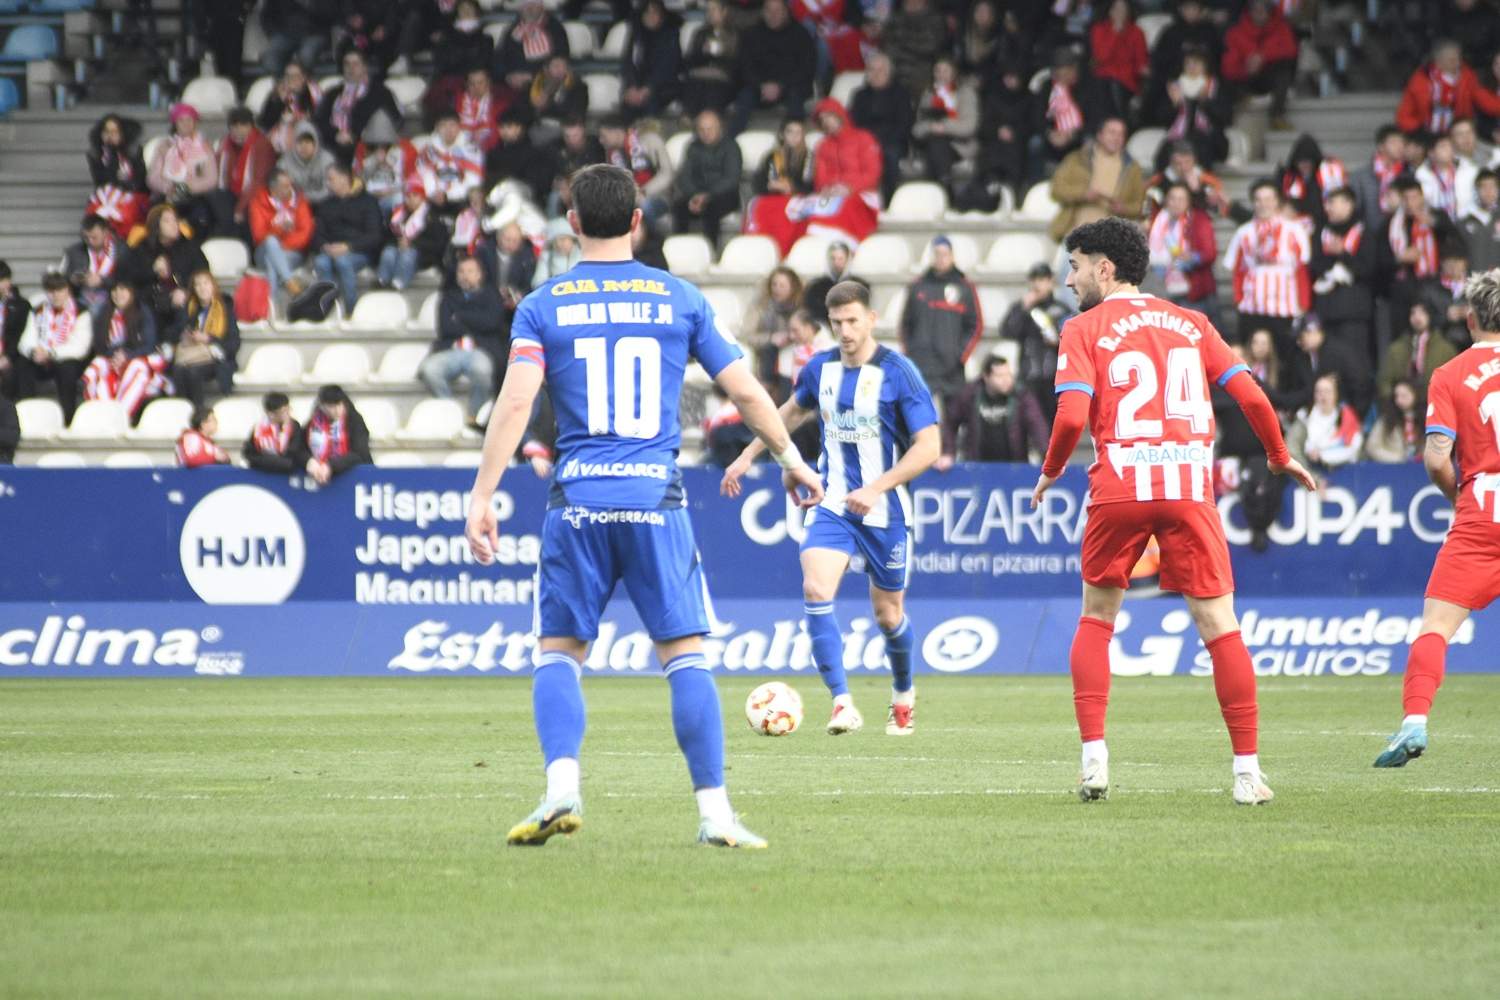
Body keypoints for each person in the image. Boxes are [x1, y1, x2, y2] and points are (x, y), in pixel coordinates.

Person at [463, 163, 823, 850]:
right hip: (654, 497)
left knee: (559, 651)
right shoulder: (678, 299)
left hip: (578, 501)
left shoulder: (544, 305)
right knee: (684, 654)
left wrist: (484, 495)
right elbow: (747, 392)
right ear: (637, 221)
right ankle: (715, 812)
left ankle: (561, 787)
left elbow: (515, 401)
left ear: (570, 224)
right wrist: (793, 460)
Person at [1031, 216, 1317, 805]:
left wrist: (1053, 469)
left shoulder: (1083, 328)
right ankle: (1246, 776)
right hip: (1189, 488)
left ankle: (1094, 763)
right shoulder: (1193, 322)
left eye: (1076, 265)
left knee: (1097, 619)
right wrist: (1280, 455)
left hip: (1120, 487)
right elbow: (1251, 396)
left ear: (1104, 268)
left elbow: (1068, 416)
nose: (1068, 279)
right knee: (1220, 627)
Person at [722, 279, 938, 736]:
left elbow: (929, 447)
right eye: (837, 322)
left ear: (871, 319)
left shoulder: (898, 373)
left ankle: (903, 694)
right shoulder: (820, 370)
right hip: (832, 502)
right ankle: (842, 703)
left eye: (853, 321)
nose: (844, 331)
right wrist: (747, 457)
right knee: (817, 591)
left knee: (888, 615)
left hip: (884, 510)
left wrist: (878, 486)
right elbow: (787, 415)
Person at [1374, 271, 1500, 766]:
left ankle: (1414, 724)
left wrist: (1459, 494)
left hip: (1479, 516)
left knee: (1435, 628)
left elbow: (1435, 456)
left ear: (1469, 318)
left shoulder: (1449, 374)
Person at [1223, 179, 1310, 358]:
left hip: (1284, 307)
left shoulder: (1294, 230)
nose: (1263, 204)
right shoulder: (1244, 232)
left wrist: (1304, 304)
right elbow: (1238, 270)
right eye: (1258, 199)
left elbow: (1301, 269)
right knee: (1249, 357)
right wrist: (1239, 300)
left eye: (1268, 199)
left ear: (1277, 201)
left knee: (1284, 356)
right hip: (1251, 307)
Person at [899, 235, 983, 411]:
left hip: (951, 368)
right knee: (920, 419)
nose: (941, 258)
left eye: (945, 254)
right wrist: (912, 352)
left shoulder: (964, 287)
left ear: (952, 256)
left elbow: (976, 325)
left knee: (954, 422)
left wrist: (960, 356)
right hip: (922, 365)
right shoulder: (918, 286)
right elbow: (906, 324)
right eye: (937, 254)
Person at [424, 254, 505, 422]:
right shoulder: (447, 297)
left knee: (483, 371)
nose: (465, 275)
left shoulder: (492, 295)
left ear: (480, 274)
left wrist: (460, 316)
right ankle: (451, 411)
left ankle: (473, 415)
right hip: (452, 349)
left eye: (470, 271)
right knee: (430, 370)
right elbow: (445, 328)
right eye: (461, 271)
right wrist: (476, 319)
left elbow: (492, 323)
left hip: (481, 349)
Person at [1048, 117, 1147, 245]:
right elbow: (1056, 190)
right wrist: (1083, 194)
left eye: (1121, 134)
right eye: (1111, 132)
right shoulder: (1076, 159)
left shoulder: (1133, 168)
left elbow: (1141, 206)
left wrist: (1124, 209)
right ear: (1100, 135)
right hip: (1074, 234)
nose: (1116, 138)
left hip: (1111, 240)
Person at [937, 355, 1048, 466]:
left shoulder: (1021, 396)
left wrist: (1046, 454)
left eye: (1008, 374)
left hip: (1014, 466)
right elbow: (950, 423)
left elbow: (1037, 425)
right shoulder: (970, 394)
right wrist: (948, 452)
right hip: (978, 466)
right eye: (999, 376)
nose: (1006, 380)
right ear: (986, 377)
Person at [1001, 262, 1075, 423]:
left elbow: (1073, 343)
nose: (1037, 284)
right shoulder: (1022, 307)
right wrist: (1022, 309)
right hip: (1028, 376)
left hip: (1054, 378)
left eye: (1042, 279)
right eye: (1034, 279)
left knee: (1053, 425)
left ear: (1050, 282)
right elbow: (1007, 332)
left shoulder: (1061, 309)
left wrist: (1057, 342)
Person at [81, 282, 165, 421]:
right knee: (98, 366)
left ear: (131, 292)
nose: (118, 294)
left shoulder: (142, 311)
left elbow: (149, 345)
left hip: (139, 360)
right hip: (113, 361)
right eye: (115, 290)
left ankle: (121, 416)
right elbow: (100, 346)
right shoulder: (104, 313)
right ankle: (103, 416)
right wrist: (115, 356)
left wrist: (127, 355)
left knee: (137, 367)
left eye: (123, 289)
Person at [729, 0, 815, 135]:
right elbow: (744, 67)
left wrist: (780, 85)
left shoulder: (800, 34)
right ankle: (731, 141)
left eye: (777, 11)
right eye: (768, 10)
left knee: (796, 98)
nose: (772, 15)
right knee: (744, 97)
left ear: (786, 12)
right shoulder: (751, 34)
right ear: (762, 12)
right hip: (758, 87)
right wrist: (761, 85)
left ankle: (792, 143)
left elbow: (806, 69)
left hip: (790, 86)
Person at [1309, 186, 1377, 359]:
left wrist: (1343, 254)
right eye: (1327, 203)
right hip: (1326, 312)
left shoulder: (1365, 232)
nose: (1328, 208)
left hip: (1354, 314)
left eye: (1332, 203)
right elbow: (1314, 265)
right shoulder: (1321, 233)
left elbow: (1368, 268)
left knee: (1354, 360)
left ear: (1348, 204)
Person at [17, 273, 92, 423]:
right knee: (22, 365)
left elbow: (80, 347)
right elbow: (26, 339)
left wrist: (51, 353)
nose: (55, 295)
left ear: (67, 290)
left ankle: (67, 418)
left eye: (59, 290)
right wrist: (33, 351)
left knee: (67, 369)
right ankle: (26, 415)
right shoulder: (38, 310)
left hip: (67, 358)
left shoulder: (81, 311)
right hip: (41, 356)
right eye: (51, 291)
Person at [312, 163, 384, 313]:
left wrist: (348, 247)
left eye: (331, 179)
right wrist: (325, 246)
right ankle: (327, 308)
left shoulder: (367, 201)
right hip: (331, 250)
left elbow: (375, 236)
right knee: (320, 262)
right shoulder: (326, 204)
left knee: (343, 261)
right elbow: (317, 234)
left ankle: (351, 310)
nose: (328, 183)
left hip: (359, 251)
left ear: (344, 178)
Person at [1146, 46, 1230, 170]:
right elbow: (1162, 119)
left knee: (1198, 148)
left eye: (1196, 63)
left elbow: (1225, 118)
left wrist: (1205, 102)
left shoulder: (1216, 87)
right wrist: (1175, 105)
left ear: (1205, 66)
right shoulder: (1174, 88)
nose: (1192, 67)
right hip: (1179, 137)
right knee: (1165, 154)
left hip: (1209, 139)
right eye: (1188, 63)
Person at [315, 49, 402, 166]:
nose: (351, 68)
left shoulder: (381, 93)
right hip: (332, 142)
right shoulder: (333, 93)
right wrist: (336, 134)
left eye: (355, 64)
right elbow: (319, 120)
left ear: (365, 67)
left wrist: (353, 134)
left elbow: (395, 119)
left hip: (366, 145)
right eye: (347, 64)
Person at [1220, 0, 1298, 131]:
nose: (1259, 14)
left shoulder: (1281, 27)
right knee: (1225, 81)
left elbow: (1290, 50)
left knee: (1284, 69)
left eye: (1263, 10)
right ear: (1249, 12)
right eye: (1256, 10)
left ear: (1269, 11)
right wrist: (1245, 69)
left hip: (1270, 77)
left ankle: (1277, 115)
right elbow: (1228, 67)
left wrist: (1263, 57)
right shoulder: (1235, 33)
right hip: (1246, 80)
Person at [1396, 39, 1500, 137]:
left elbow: (1487, 102)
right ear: (1438, 61)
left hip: (1458, 134)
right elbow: (1404, 116)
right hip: (1426, 134)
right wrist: (1420, 133)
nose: (1457, 63)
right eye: (1452, 60)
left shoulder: (1467, 77)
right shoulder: (1421, 80)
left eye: (1459, 58)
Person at [671, 110, 742, 250]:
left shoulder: (731, 147)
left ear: (719, 128)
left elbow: (731, 179)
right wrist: (694, 195)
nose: (706, 133)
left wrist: (707, 195)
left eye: (710, 128)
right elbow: (684, 176)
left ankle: (711, 250)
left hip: (723, 196)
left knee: (711, 209)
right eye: (702, 129)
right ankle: (679, 250)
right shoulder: (692, 147)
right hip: (696, 194)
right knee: (679, 207)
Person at [848, 53, 913, 205]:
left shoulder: (901, 94)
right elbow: (853, 123)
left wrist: (880, 142)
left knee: (890, 156)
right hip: (863, 141)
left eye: (881, 70)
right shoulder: (859, 95)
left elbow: (904, 124)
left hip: (891, 141)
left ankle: (889, 201)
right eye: (872, 70)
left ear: (889, 73)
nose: (876, 74)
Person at [1146, 180, 1218, 317]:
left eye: (1181, 199)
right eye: (1172, 198)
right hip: (1163, 287)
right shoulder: (1158, 220)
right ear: (1166, 200)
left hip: (1193, 289)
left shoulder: (1199, 219)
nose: (1176, 203)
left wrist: (1193, 257)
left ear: (1188, 202)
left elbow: (1209, 253)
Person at [172, 270, 240, 405]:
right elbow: (174, 332)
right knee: (178, 370)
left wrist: (209, 339)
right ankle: (183, 410)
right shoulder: (189, 308)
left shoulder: (225, 309)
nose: (202, 288)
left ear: (213, 286)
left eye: (206, 283)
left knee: (193, 372)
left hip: (215, 358)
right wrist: (186, 335)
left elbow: (233, 343)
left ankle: (198, 413)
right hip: (191, 354)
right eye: (198, 285)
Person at [147, 104, 218, 234]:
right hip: (168, 195)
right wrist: (168, 187)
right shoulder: (164, 146)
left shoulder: (204, 147)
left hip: (194, 196)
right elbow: (153, 177)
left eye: (189, 120)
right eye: (181, 121)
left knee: (201, 214)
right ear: (175, 124)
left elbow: (211, 179)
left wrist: (188, 187)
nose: (186, 124)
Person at [911, 56, 978, 190]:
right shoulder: (929, 94)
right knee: (935, 144)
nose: (941, 75)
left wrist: (944, 127)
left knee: (937, 145)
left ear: (954, 73)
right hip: (931, 143)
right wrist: (931, 127)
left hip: (959, 145)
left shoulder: (965, 93)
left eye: (945, 71)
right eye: (938, 71)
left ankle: (937, 190)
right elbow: (917, 129)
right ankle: (944, 186)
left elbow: (970, 126)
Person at [250, 168, 316, 301]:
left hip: (291, 252)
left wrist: (281, 247)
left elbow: (305, 233)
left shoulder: (299, 202)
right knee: (271, 242)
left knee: (272, 259)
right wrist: (279, 229)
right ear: (274, 189)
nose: (290, 189)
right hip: (262, 251)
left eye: (290, 184)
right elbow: (258, 235)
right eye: (285, 186)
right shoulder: (258, 203)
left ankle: (270, 307)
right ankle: (289, 281)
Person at [598, 116, 674, 230]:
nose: (601, 140)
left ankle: (653, 241)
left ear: (617, 133)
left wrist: (644, 192)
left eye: (604, 136)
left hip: (658, 196)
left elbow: (666, 174)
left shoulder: (649, 141)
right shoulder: (611, 153)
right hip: (629, 200)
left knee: (645, 206)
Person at [214, 106, 277, 238]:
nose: (238, 130)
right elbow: (219, 173)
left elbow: (258, 182)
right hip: (231, 193)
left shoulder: (261, 145)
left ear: (251, 126)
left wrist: (240, 208)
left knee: (239, 215)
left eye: (243, 125)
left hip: (254, 196)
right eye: (234, 126)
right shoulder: (225, 145)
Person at [86, 113, 150, 239]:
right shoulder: (96, 155)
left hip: (133, 195)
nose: (111, 135)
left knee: (126, 211)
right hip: (107, 194)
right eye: (107, 131)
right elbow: (101, 181)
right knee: (96, 209)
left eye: (115, 131)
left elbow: (140, 180)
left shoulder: (134, 151)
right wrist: (111, 153)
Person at [1379, 299, 1459, 399]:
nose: (1417, 317)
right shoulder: (1396, 348)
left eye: (1422, 312)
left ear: (1430, 315)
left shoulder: (1446, 349)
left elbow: (1455, 384)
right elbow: (1385, 382)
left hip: (1434, 405)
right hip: (1402, 408)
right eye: (1413, 313)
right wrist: (1396, 396)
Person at [377, 179, 447, 291]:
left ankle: (398, 284)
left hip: (422, 254)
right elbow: (387, 237)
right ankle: (382, 281)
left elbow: (438, 244)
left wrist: (412, 243)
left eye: (415, 195)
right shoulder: (398, 215)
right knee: (389, 252)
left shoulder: (432, 216)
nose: (410, 199)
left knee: (408, 254)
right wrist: (399, 242)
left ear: (422, 198)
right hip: (399, 249)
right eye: (408, 196)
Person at [1288, 372, 1363, 474]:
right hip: (1310, 469)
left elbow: (1353, 448)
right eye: (1319, 392)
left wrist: (1323, 456)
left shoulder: (1346, 417)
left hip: (1342, 471)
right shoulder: (1304, 416)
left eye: (1327, 391)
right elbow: (1294, 446)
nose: (1323, 396)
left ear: (1336, 394)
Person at [621, 0, 682, 122]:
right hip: (638, 85)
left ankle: (649, 134)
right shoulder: (636, 34)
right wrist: (631, 86)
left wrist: (648, 88)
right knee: (627, 102)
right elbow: (628, 62)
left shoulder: (670, 35)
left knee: (649, 101)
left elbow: (667, 68)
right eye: (647, 13)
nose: (651, 17)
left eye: (655, 13)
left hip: (663, 87)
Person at [741, 266, 803, 385]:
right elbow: (747, 336)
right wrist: (771, 339)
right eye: (775, 284)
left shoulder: (800, 309)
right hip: (765, 357)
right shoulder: (760, 307)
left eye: (782, 286)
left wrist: (790, 337)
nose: (777, 289)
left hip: (792, 357)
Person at [494, 0, 569, 93]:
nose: (530, 8)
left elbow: (559, 60)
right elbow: (501, 58)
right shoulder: (512, 30)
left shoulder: (556, 28)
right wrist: (508, 76)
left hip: (546, 84)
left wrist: (532, 76)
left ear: (542, 7)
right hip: (516, 86)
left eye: (534, 4)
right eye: (526, 5)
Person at [61, 214, 130, 314]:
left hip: (112, 297)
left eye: (94, 237)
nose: (90, 241)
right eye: (86, 237)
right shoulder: (74, 251)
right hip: (82, 298)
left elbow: (128, 279)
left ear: (105, 232)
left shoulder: (121, 250)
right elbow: (63, 278)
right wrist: (74, 279)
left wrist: (102, 280)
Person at [304, 384, 373, 483]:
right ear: (322, 406)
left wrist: (331, 465)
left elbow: (360, 453)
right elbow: (301, 449)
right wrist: (309, 461)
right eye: (331, 407)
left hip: (355, 478)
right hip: (320, 477)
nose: (336, 410)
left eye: (339, 405)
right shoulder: (313, 423)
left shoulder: (354, 420)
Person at [417, 111, 484, 213]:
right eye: (443, 125)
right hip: (434, 200)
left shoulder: (471, 150)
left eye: (452, 125)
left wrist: (449, 195)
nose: (448, 130)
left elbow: (474, 179)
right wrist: (433, 193)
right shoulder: (428, 151)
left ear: (459, 127)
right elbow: (423, 174)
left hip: (462, 200)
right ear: (437, 128)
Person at [1089, 0, 1149, 115]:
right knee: (1102, 86)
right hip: (1103, 77)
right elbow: (1101, 57)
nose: (1119, 12)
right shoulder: (1099, 29)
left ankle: (1119, 121)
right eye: (1116, 9)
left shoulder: (1137, 32)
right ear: (1109, 11)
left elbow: (1141, 63)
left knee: (1115, 85)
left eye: (1123, 9)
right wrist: (1115, 33)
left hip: (1126, 80)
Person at [682, 0, 739, 117]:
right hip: (700, 77)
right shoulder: (700, 33)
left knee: (713, 89)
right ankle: (689, 119)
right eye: (708, 10)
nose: (710, 14)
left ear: (724, 12)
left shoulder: (735, 33)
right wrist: (703, 52)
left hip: (724, 80)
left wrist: (721, 53)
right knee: (695, 85)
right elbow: (689, 61)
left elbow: (738, 62)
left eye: (714, 10)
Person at [1350, 125, 1411, 235]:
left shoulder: (1408, 176)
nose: (1400, 147)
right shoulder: (1360, 177)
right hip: (1369, 238)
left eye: (1402, 143)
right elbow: (1354, 212)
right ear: (1381, 146)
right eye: (1394, 142)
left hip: (1399, 236)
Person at [883, 0, 948, 102]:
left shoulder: (935, 19)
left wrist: (904, 45)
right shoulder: (895, 18)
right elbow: (888, 47)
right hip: (897, 71)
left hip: (923, 71)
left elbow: (931, 46)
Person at [258, 58, 324, 155]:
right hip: (279, 142)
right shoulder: (277, 94)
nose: (291, 80)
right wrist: (279, 101)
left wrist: (301, 118)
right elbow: (265, 122)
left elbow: (320, 118)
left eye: (295, 76)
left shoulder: (314, 94)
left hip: (306, 139)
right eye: (288, 76)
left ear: (304, 77)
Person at [1280, 134, 1346, 227]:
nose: (1304, 165)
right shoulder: (1289, 179)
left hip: (1325, 223)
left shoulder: (1328, 173)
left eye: (1308, 161)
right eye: (1300, 161)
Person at [1417, 131, 1479, 221]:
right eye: (1443, 146)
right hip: (1436, 224)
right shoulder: (1422, 176)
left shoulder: (1469, 171)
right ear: (1431, 153)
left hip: (1465, 223)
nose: (1448, 150)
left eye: (1450, 146)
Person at [802, 241, 865, 326]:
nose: (836, 263)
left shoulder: (859, 286)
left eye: (840, 259)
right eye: (833, 258)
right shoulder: (816, 288)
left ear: (848, 260)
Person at [243, 391, 306, 474]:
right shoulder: (259, 429)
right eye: (281, 412)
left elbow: (295, 452)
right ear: (269, 413)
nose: (286, 414)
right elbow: (249, 453)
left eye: (287, 410)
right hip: (264, 473)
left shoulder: (294, 426)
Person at [752, 118, 816, 197]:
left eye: (798, 132)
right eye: (790, 132)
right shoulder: (772, 156)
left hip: (800, 200)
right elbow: (759, 183)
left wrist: (791, 187)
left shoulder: (809, 157)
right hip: (774, 198)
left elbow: (810, 185)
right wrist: (770, 186)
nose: (794, 136)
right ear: (782, 135)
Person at [1365, 378, 1423, 463]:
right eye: (1396, 396)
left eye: (1404, 396)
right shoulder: (1386, 420)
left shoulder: (1426, 419)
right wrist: (1396, 459)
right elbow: (1372, 447)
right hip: (1393, 469)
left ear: (1415, 395)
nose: (1399, 400)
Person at [277, 122, 337, 205]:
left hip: (324, 204)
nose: (304, 147)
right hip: (294, 206)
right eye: (300, 143)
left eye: (308, 142)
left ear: (315, 143)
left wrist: (306, 197)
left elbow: (332, 189)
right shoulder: (284, 162)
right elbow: (280, 189)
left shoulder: (327, 159)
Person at [0, 261, 30, 400]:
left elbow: (20, 335)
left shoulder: (21, 305)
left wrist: (8, 356)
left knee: (13, 373)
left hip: (10, 355)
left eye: (4, 280)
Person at [1461, 169, 1500, 272]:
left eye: (1492, 186)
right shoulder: (1464, 221)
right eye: (1484, 187)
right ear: (1476, 190)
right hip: (1475, 283)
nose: (1488, 191)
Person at [532, 217, 581, 288]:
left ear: (572, 239)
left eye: (563, 239)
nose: (558, 244)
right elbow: (538, 282)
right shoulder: (547, 257)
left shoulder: (583, 256)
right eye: (555, 241)